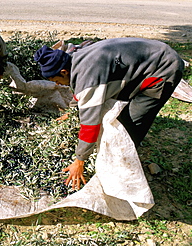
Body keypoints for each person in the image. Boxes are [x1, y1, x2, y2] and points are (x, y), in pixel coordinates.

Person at [34, 38, 184, 190]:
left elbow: (90, 126)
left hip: (163, 67)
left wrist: (79, 160)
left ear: (63, 72)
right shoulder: (75, 60)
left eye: (56, 80)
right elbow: (80, 91)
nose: (57, 85)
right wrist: (72, 111)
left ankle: (124, 171)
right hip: (149, 57)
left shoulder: (88, 76)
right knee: (118, 111)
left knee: (129, 124)